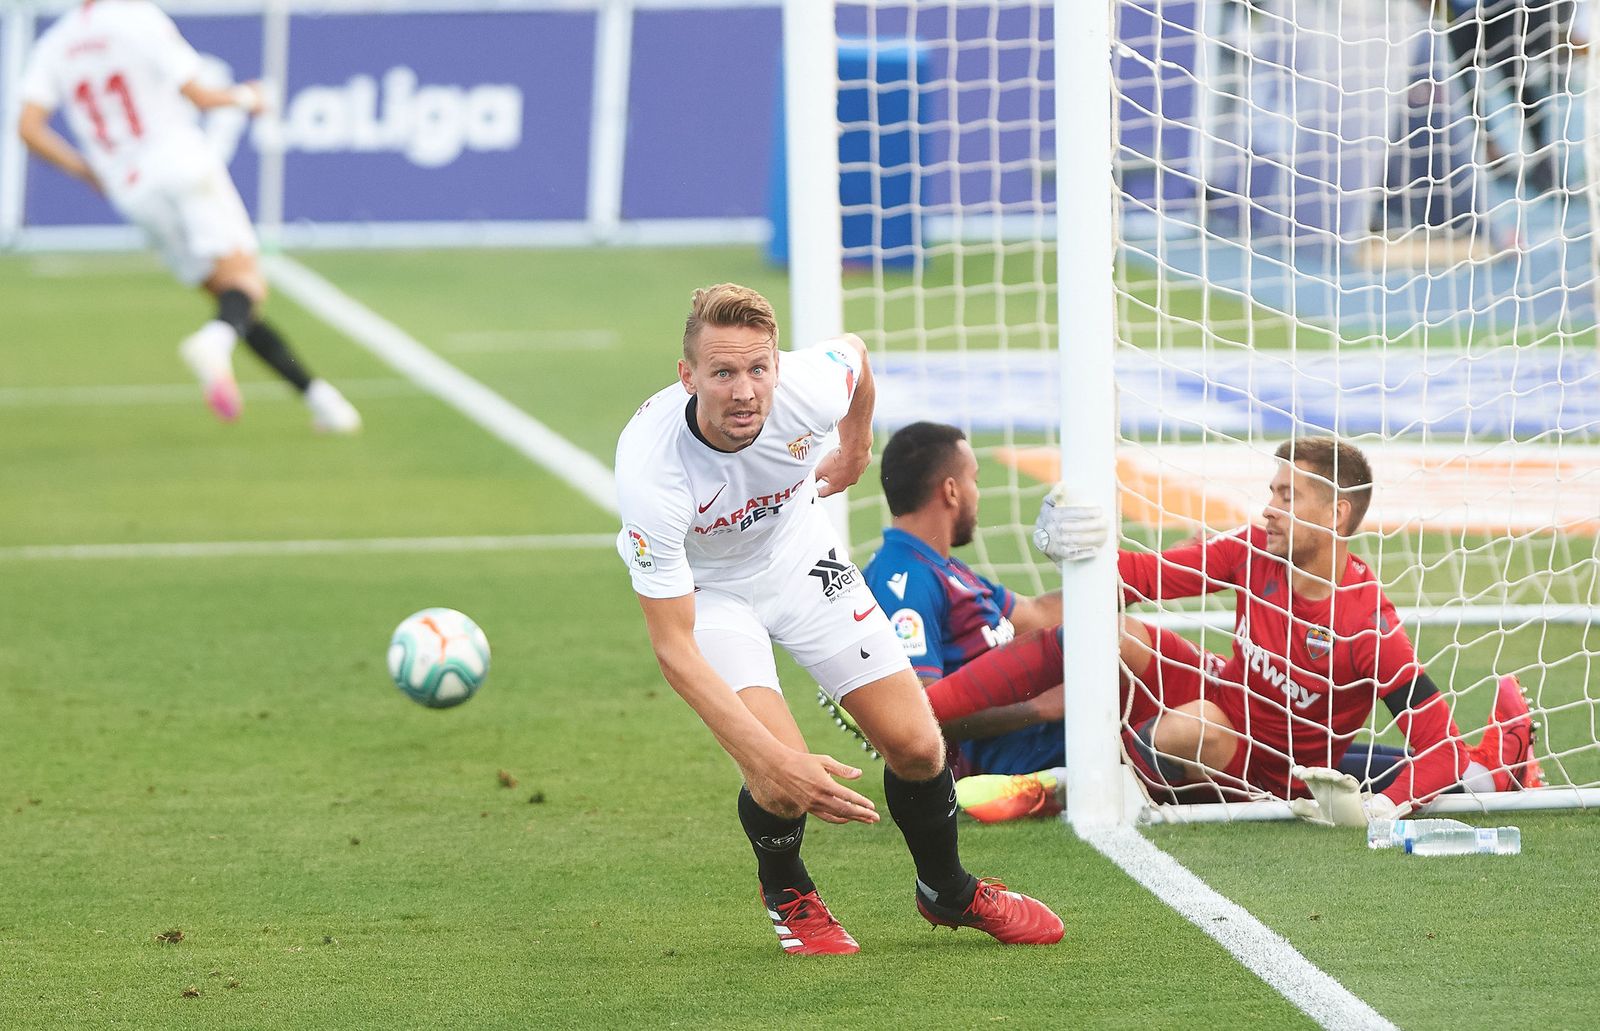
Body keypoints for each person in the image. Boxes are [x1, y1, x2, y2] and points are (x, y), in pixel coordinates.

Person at [614, 284, 1062, 956]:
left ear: (776, 366)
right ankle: (787, 885)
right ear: (689, 376)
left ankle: (947, 888)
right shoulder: (653, 472)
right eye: (723, 372)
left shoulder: (807, 387)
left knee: (918, 745)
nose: (744, 391)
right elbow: (676, 650)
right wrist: (776, 763)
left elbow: (856, 357)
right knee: (779, 780)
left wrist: (855, 449)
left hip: (800, 559)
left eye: (758, 369)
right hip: (711, 593)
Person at [1033, 435, 1541, 823]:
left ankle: (1490, 771)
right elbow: (1145, 576)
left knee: (1179, 731)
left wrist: (1381, 809)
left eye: (1287, 496)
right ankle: (1490, 772)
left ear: (1336, 514)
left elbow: (1437, 748)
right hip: (1243, 723)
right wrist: (1078, 548)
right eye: (1271, 493)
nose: (1269, 509)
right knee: (1111, 634)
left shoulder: (1368, 629)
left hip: (1276, 773)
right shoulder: (1254, 551)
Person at [17, 0, 361, 433]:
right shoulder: (137, 16)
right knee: (246, 285)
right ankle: (215, 342)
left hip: (130, 188)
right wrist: (249, 97)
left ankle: (322, 401)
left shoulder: (56, 41)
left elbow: (28, 127)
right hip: (177, 160)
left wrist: (87, 171)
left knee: (231, 300)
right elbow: (198, 95)